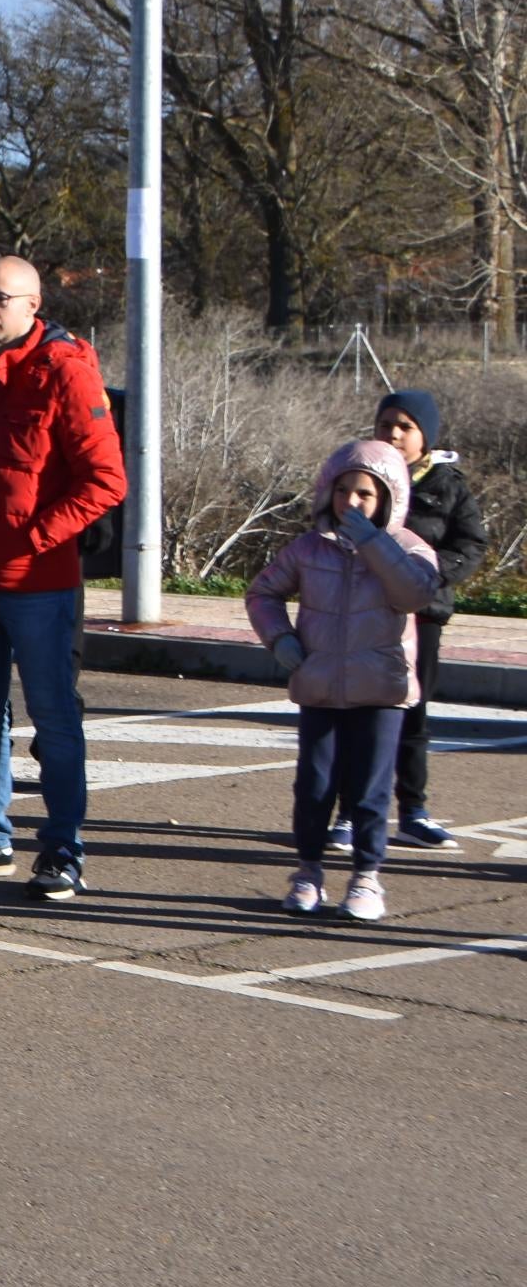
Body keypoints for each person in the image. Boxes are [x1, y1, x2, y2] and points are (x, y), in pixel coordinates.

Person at [0, 256, 126, 899]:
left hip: (39, 583)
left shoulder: (65, 369)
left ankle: (63, 849)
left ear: (32, 304)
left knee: (53, 717)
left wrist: (37, 538)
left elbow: (106, 481)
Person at [246, 438, 441, 922]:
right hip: (321, 687)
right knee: (314, 785)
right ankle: (308, 871)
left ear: (390, 499)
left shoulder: (411, 549)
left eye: (365, 494)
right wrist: (281, 639)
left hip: (382, 692)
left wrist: (375, 545)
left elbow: (415, 594)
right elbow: (263, 592)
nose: (350, 502)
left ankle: (366, 878)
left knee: (370, 790)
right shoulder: (310, 549)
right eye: (342, 491)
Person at [374, 389, 488, 848]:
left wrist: (433, 572)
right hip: (364, 611)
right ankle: (353, 811)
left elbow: (471, 543)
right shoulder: (362, 474)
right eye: (386, 425)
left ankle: (414, 812)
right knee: (359, 714)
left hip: (422, 615)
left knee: (413, 714)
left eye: (406, 426)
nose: (394, 434)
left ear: (426, 435)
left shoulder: (449, 485)